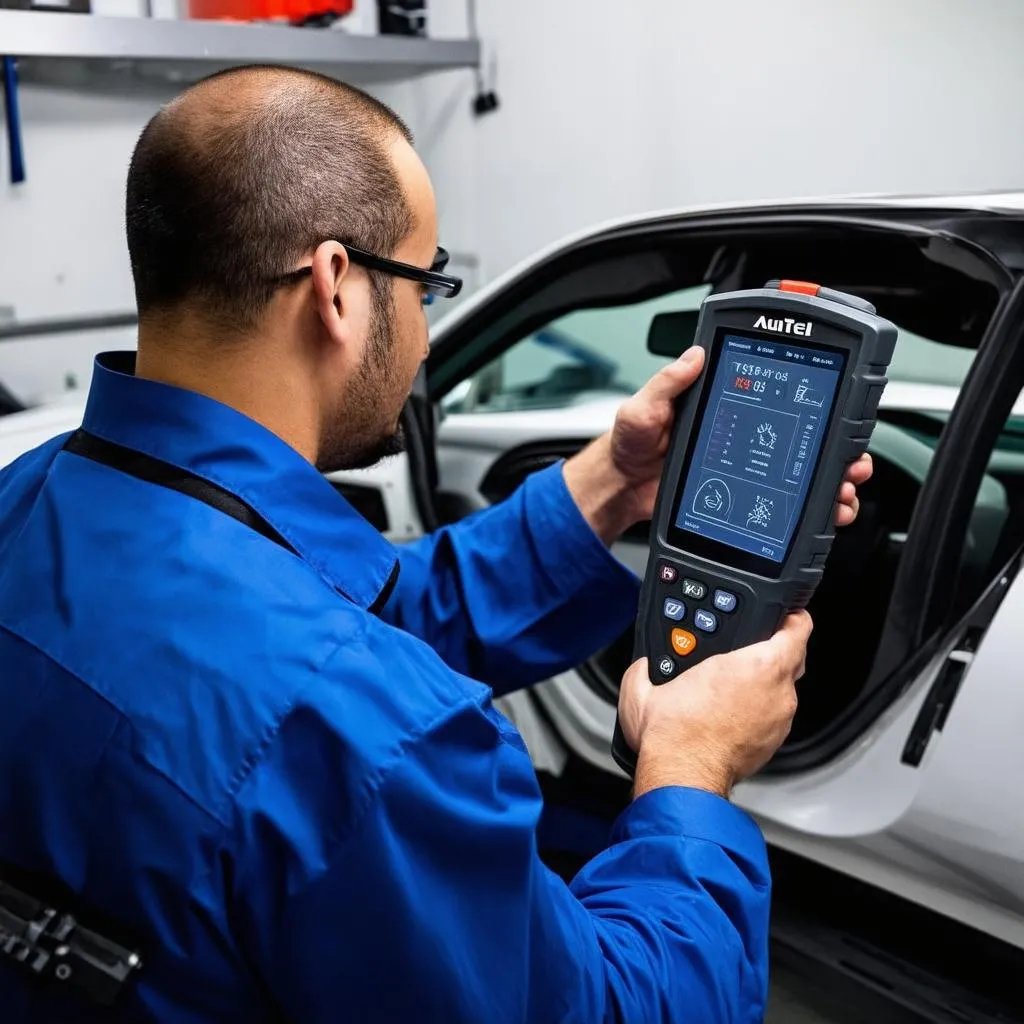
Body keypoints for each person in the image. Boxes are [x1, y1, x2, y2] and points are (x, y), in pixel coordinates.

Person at [0, 66, 871, 1022]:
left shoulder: (33, 497)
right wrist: (689, 772)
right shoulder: (375, 739)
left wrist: (612, 485)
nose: (423, 339)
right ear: (336, 287)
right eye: (426, 281)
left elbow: (334, 622)